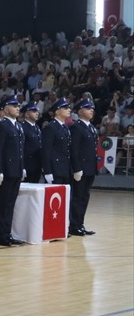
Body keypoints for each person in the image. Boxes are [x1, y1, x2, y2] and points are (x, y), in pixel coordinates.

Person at [0, 95, 26, 246]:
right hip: (5, 170)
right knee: (3, 203)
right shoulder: (2, 125)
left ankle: (7, 233)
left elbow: (19, 150)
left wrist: (22, 167)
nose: (17, 108)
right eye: (13, 106)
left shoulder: (18, 125)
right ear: (5, 109)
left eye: (18, 106)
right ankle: (1, 234)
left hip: (16, 170)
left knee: (10, 203)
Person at [69, 97, 98, 236]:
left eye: (92, 108)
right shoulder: (76, 127)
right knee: (78, 197)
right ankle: (74, 225)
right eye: (88, 108)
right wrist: (77, 168)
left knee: (85, 197)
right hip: (81, 169)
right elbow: (74, 150)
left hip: (90, 168)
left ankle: (80, 223)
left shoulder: (91, 128)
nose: (91, 110)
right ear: (80, 111)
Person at [41, 97, 73, 185]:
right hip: (55, 169)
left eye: (69, 108)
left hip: (65, 168)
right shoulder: (51, 127)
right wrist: (47, 171)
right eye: (65, 108)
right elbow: (46, 150)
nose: (69, 110)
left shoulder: (65, 127)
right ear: (57, 111)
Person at [20, 102, 43, 182]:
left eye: (37, 111)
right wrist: (22, 167)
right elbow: (21, 148)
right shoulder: (23, 127)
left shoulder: (36, 127)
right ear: (27, 114)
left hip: (37, 163)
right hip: (27, 164)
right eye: (34, 111)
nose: (37, 113)